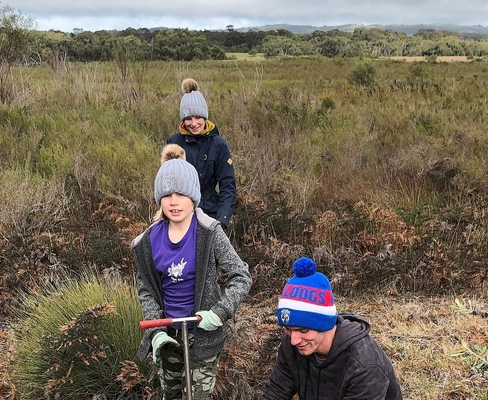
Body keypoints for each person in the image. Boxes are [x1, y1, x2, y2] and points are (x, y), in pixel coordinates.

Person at [133, 144, 252, 400]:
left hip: (203, 334)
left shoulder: (209, 233)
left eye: (181, 194)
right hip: (168, 337)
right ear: (159, 199)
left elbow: (241, 277)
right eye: (167, 195)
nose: (174, 201)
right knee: (171, 395)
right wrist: (156, 332)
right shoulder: (147, 241)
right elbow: (146, 289)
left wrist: (219, 313)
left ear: (193, 197)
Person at [263, 257, 403, 400]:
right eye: (288, 329)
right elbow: (276, 392)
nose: (294, 340)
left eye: (303, 330)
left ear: (324, 325)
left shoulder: (363, 364)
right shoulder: (292, 346)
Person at [166, 78, 237, 229]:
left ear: (204, 117)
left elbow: (227, 186)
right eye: (188, 119)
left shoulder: (219, 145)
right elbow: (167, 185)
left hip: (209, 214)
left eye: (198, 117)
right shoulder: (173, 143)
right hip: (180, 214)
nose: (193, 123)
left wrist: (221, 222)